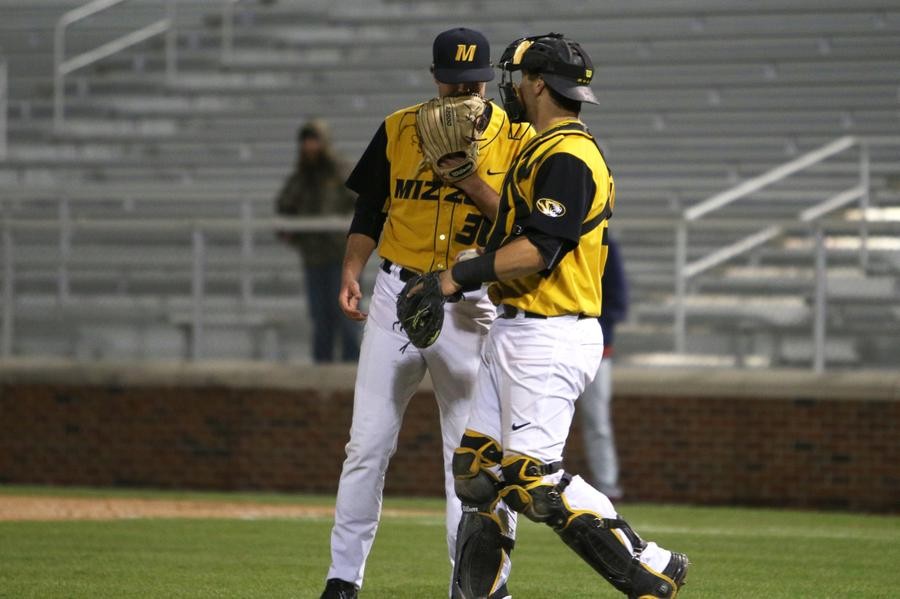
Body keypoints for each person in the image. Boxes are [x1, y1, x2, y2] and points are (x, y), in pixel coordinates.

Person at [431, 33, 689, 598]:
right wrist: (471, 262)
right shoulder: (546, 147)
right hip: (518, 327)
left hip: (549, 332)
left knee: (534, 481)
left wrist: (456, 278)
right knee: (477, 471)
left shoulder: (568, 155)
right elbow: (520, 241)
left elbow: (539, 250)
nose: (512, 87)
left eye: (519, 77)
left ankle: (651, 571)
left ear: (539, 84)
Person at [320, 28, 533, 599]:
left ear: (486, 81)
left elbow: (523, 230)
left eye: (472, 82)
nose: (462, 90)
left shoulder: (517, 138)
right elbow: (370, 208)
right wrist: (351, 268)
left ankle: (480, 586)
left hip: (470, 303)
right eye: (453, 81)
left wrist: (467, 178)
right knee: (366, 445)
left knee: (471, 459)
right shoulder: (399, 128)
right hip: (398, 292)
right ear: (435, 77)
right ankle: (342, 580)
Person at [275, 120, 360, 363]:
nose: (309, 146)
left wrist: (349, 230)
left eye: (314, 140)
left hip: (341, 256)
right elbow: (285, 206)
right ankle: (322, 369)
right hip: (313, 257)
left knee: (345, 314)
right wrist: (291, 230)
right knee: (320, 316)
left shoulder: (340, 170)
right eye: (306, 141)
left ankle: (352, 368)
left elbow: (361, 202)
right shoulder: (302, 176)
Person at [578, 235, 628, 499]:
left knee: (597, 419)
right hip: (550, 340)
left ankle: (606, 483)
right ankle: (538, 479)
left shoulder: (605, 243)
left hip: (595, 348)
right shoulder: (549, 235)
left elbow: (618, 301)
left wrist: (592, 328)